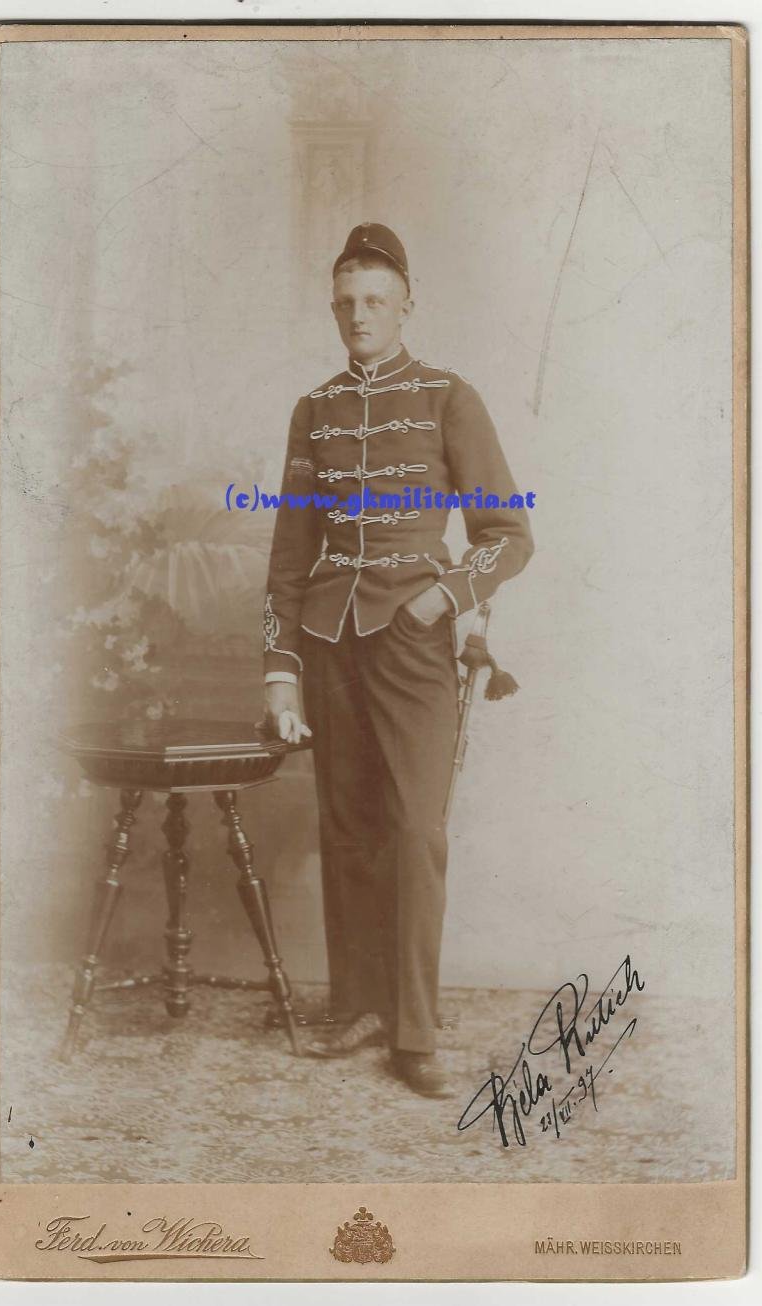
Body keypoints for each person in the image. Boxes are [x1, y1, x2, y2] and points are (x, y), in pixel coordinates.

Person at [263, 222, 533, 1097]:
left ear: (407, 305)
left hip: (413, 642)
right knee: (347, 830)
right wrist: (280, 670)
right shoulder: (313, 410)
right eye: (346, 302)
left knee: (416, 832)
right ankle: (359, 1007)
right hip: (328, 643)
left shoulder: (452, 397)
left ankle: (413, 1030)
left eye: (375, 300)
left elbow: (509, 536)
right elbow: (288, 558)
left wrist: (440, 599)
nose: (359, 315)